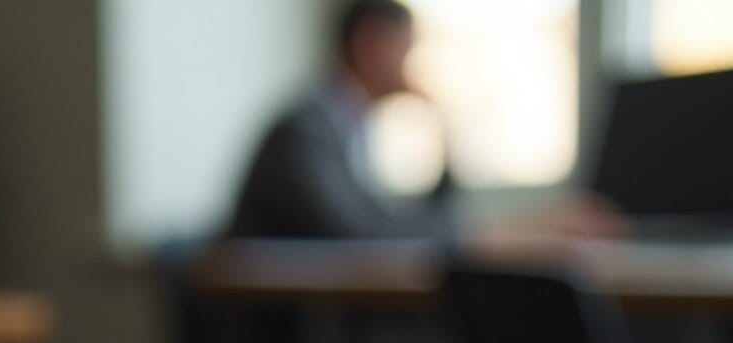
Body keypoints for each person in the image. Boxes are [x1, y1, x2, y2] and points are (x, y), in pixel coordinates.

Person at [229, 0, 619, 241]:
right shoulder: (307, 130)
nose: (413, 66)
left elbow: (400, 220)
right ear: (370, 44)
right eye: (407, 49)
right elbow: (361, 232)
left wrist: (442, 127)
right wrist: (502, 233)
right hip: (279, 335)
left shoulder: (346, 127)